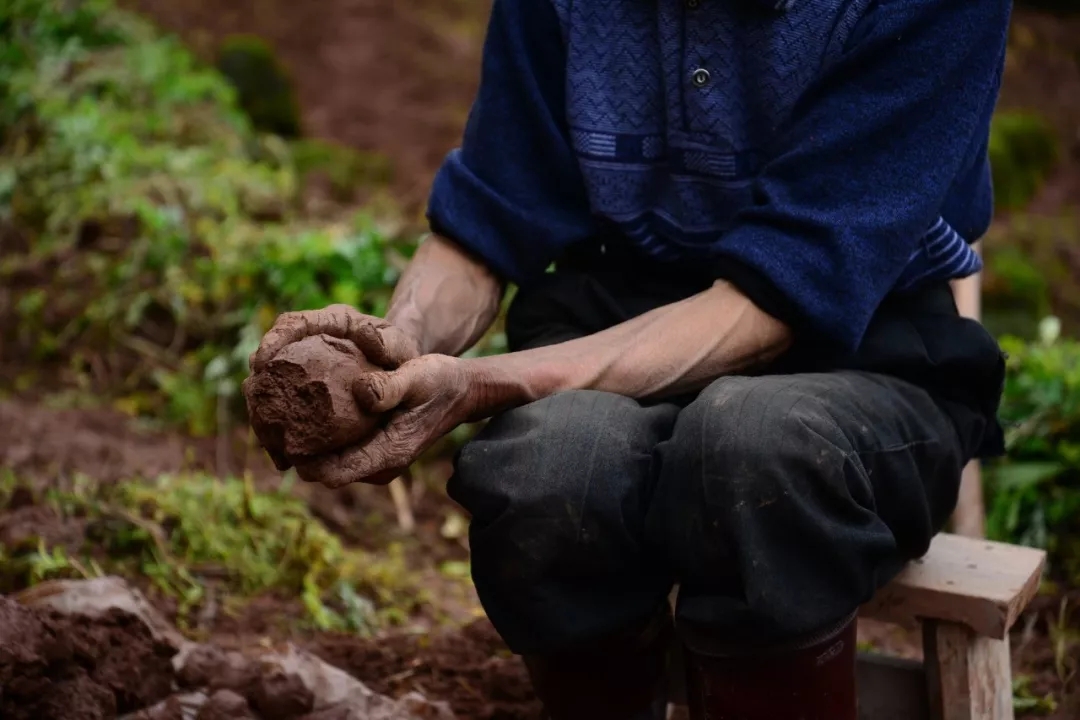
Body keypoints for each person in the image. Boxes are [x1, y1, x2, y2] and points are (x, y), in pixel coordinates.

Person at [250, 0, 1012, 717]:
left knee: (756, 450)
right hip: (609, 307)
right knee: (544, 473)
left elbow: (784, 291)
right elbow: (488, 227)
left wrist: (481, 382)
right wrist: (392, 351)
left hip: (866, 350)